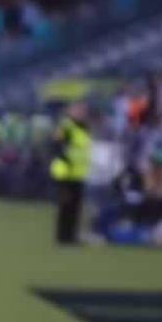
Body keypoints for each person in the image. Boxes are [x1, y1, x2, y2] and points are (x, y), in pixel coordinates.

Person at [50, 102, 93, 245]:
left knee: (75, 206)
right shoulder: (66, 126)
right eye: (78, 110)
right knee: (66, 206)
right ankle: (63, 237)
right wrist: (66, 159)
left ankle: (71, 236)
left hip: (78, 173)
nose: (82, 113)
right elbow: (57, 145)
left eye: (83, 111)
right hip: (65, 173)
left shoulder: (84, 128)